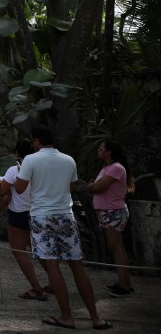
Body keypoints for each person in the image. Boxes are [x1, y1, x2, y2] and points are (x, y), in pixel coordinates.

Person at [15, 126, 111, 330]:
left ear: (36, 142)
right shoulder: (68, 160)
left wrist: (25, 173)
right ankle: (95, 317)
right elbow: (72, 186)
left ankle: (66, 316)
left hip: (42, 215)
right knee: (77, 265)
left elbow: (21, 188)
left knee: (52, 266)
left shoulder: (31, 160)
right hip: (65, 214)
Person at [0, 139, 50, 301]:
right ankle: (54, 281)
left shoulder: (14, 169)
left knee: (19, 252)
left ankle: (37, 289)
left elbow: (3, 189)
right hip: (38, 211)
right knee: (41, 251)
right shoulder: (41, 167)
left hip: (19, 213)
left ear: (17, 153)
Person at [85, 139, 135, 297]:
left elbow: (97, 186)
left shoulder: (116, 168)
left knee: (115, 247)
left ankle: (124, 285)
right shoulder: (108, 168)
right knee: (118, 247)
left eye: (101, 148)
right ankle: (124, 281)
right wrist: (92, 186)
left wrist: (91, 187)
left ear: (109, 152)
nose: (98, 150)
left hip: (113, 211)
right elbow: (95, 185)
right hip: (109, 211)